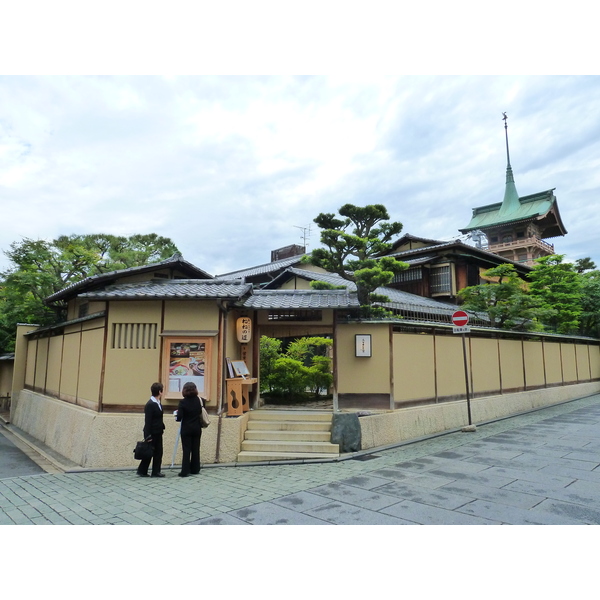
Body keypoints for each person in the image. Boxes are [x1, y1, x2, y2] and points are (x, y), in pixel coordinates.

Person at [137, 382, 166, 478]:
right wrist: (147, 435)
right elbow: (148, 421)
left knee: (158, 452)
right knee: (150, 452)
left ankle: (154, 471)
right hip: (152, 433)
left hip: (158, 431)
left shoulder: (157, 403)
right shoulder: (150, 404)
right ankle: (144, 470)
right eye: (162, 390)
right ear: (159, 392)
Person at [175, 381, 204, 477]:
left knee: (186, 450)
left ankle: (185, 470)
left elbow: (179, 417)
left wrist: (177, 414)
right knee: (196, 448)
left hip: (186, 429)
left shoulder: (183, 402)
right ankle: (195, 468)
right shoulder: (200, 400)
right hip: (197, 428)